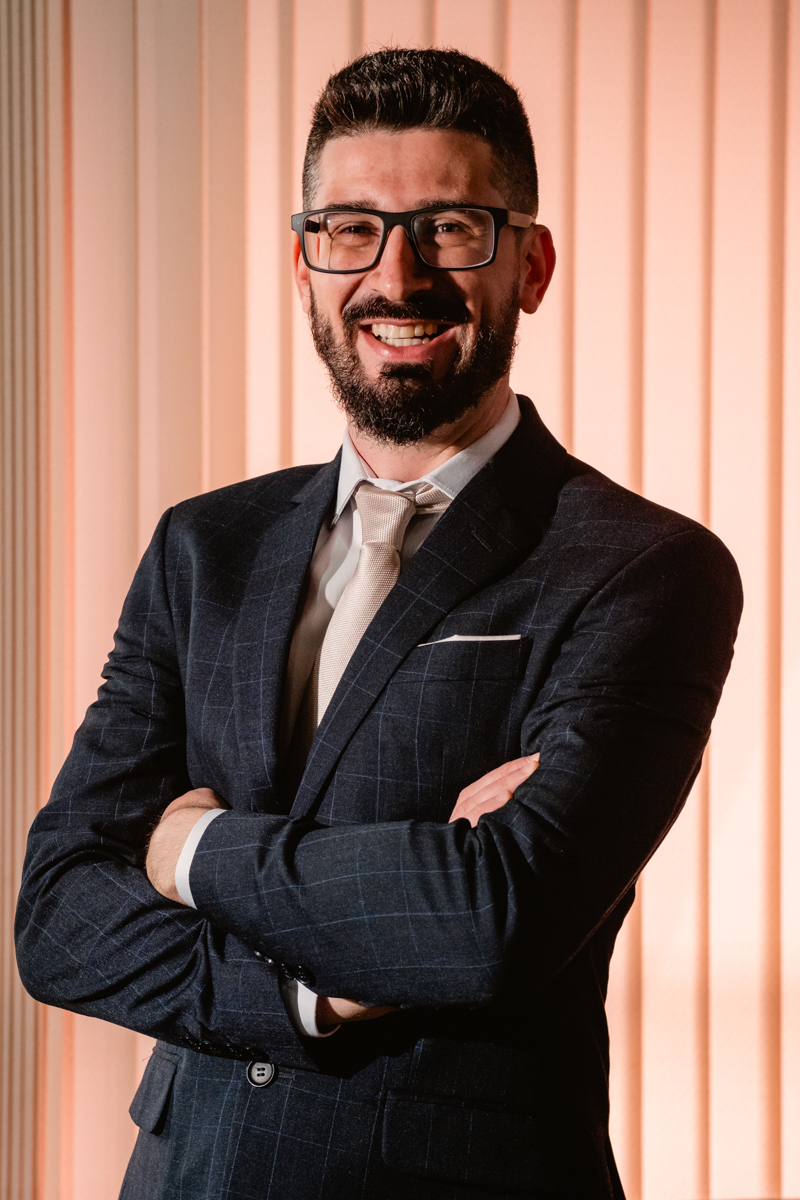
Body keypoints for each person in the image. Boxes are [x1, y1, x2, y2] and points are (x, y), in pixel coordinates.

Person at [16, 48, 742, 1200]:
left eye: (448, 228)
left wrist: (185, 850)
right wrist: (313, 991)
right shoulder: (203, 548)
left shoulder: (642, 569)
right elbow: (57, 915)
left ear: (530, 266)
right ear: (304, 267)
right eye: (350, 229)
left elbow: (488, 918)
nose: (395, 277)